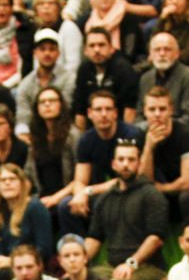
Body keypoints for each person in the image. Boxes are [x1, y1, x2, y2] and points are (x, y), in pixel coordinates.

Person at [85, 139, 168, 280]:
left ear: (139, 163)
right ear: (113, 164)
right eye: (121, 159)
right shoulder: (105, 199)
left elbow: (156, 238)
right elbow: (95, 238)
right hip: (112, 265)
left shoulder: (151, 194)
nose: (125, 164)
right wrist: (78, 264)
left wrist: (132, 262)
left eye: (131, 159)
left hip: (148, 267)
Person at [61, 89, 144, 235]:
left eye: (108, 109)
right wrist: (80, 195)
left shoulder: (131, 135)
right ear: (90, 113)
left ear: (116, 113)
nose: (103, 114)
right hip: (105, 193)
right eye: (98, 110)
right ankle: (78, 251)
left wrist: (88, 191)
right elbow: (80, 180)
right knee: (66, 205)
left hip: (132, 190)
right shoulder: (86, 139)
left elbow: (129, 177)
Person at [138, 86, 189, 216]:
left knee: (186, 196)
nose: (157, 114)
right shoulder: (140, 135)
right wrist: (149, 147)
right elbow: (143, 180)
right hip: (154, 193)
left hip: (183, 193)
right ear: (145, 111)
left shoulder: (187, 135)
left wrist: (159, 188)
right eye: (152, 109)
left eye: (162, 109)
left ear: (171, 110)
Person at [25, 86, 81, 210]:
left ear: (61, 104)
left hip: (67, 195)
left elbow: (79, 179)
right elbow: (28, 175)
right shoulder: (36, 136)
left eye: (52, 101)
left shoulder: (73, 135)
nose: (47, 105)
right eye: (42, 102)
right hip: (41, 196)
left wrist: (55, 198)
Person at [71, 28, 139, 130]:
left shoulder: (124, 69)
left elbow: (130, 108)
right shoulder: (83, 70)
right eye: (92, 46)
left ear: (111, 48)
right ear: (85, 51)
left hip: (119, 128)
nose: (97, 50)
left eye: (101, 45)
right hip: (92, 130)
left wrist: (125, 139)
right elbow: (80, 110)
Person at [13, 29, 74, 139]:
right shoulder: (26, 84)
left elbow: (66, 111)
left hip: (63, 132)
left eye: (51, 49)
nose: (47, 53)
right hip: (35, 135)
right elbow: (23, 118)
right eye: (42, 49)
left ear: (58, 53)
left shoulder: (69, 78)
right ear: (35, 53)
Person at [138, 32, 189, 129]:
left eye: (167, 49)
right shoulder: (145, 78)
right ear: (150, 55)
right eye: (157, 50)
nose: (162, 54)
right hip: (149, 130)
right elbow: (139, 115)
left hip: (179, 132)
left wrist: (164, 128)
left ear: (177, 54)